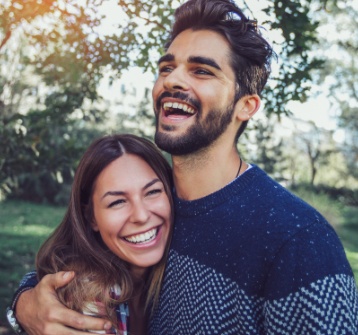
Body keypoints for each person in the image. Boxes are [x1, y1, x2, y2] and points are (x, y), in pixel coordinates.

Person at [7, 0, 358, 334]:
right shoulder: (153, 202)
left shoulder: (297, 239)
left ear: (246, 106)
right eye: (166, 68)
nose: (172, 80)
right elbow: (71, 257)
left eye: (202, 70)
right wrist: (24, 304)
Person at [7, 134, 173, 335]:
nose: (141, 215)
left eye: (152, 192)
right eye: (117, 202)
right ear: (91, 217)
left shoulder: (178, 266)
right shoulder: (90, 301)